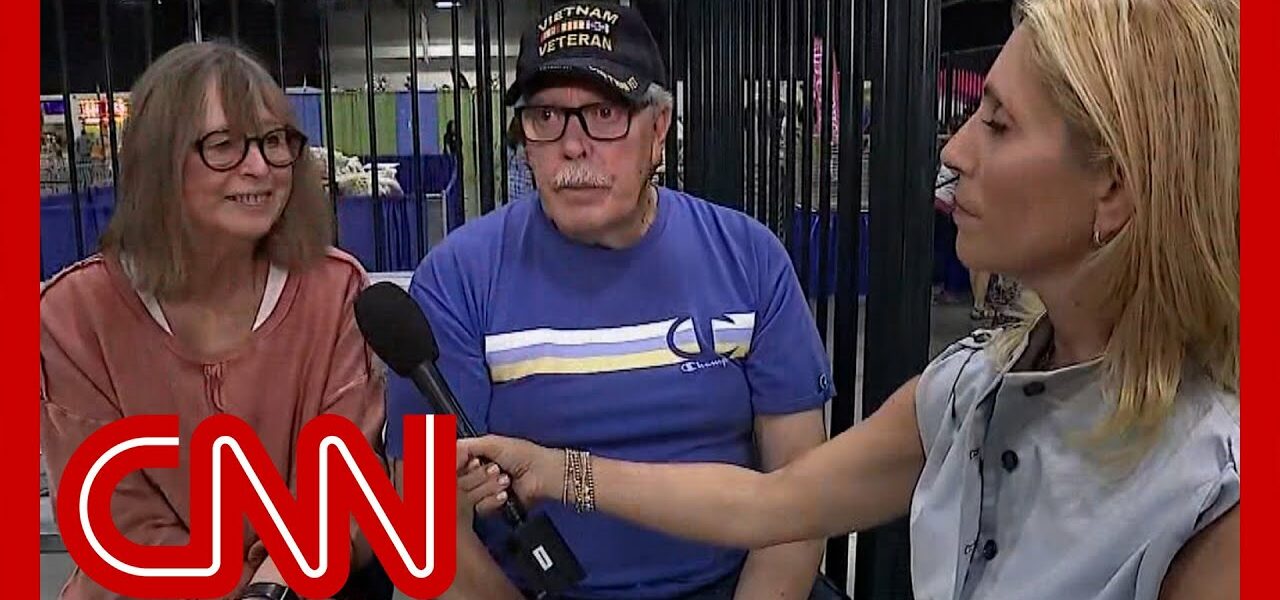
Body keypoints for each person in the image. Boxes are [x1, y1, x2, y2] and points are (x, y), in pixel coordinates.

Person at [458, 1, 1241, 599]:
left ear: (658, 128)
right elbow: (773, 503)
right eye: (544, 117)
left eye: (998, 124)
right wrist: (557, 471)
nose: (954, 148)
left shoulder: (1213, 488)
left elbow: (781, 516)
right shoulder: (966, 390)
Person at [385, 2, 837, 598]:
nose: (573, 147)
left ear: (660, 127)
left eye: (604, 113)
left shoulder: (749, 258)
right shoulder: (455, 279)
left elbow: (801, 496)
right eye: (546, 116)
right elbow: (427, 529)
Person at [40, 42, 389, 600]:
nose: (260, 167)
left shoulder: (335, 291)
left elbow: (338, 495)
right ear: (158, 162)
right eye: (224, 145)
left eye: (274, 141)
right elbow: (119, 525)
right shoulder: (72, 315)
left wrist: (269, 589)